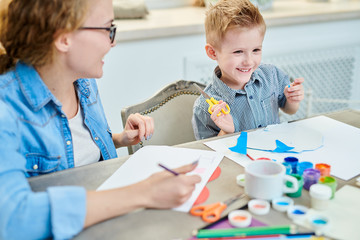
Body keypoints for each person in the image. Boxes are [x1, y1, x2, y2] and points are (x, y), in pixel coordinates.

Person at [0, 0, 201, 239]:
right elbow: (13, 219)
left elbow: (76, 147)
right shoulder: (6, 108)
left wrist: (118, 138)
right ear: (64, 38)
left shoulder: (83, 81)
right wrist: (143, 193)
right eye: (108, 29)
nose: (113, 42)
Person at [192, 0, 305, 140]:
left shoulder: (272, 75)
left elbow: (290, 110)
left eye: (256, 50)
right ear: (213, 53)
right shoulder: (204, 107)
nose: (249, 61)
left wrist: (293, 100)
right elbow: (209, 155)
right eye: (238, 52)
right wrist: (226, 133)